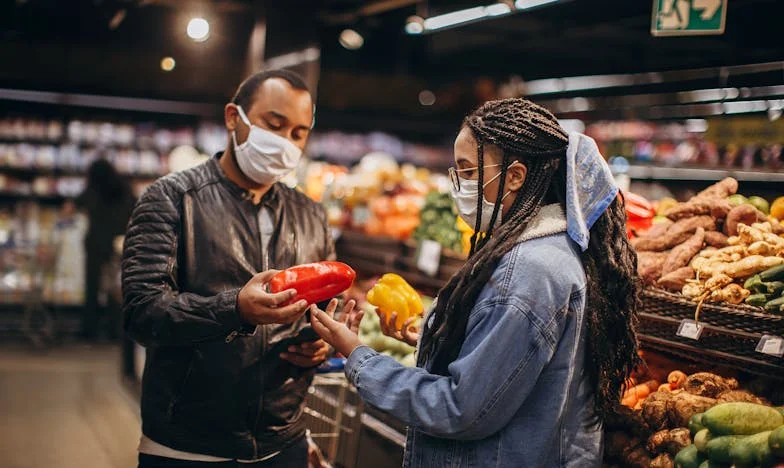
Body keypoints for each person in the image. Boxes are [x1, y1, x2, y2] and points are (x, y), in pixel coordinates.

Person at [309, 98, 641, 467]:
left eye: (468, 172)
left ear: (515, 176)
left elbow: (459, 408)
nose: (460, 186)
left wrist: (358, 356)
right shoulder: (552, 253)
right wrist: (436, 338)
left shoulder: (529, 272)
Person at [122, 69, 354, 467]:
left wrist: (320, 343)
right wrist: (235, 309)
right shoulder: (172, 198)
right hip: (187, 443)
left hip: (283, 440)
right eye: (274, 124)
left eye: (298, 133)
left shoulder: (311, 214)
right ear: (234, 117)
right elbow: (143, 313)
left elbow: (320, 309)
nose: (285, 142)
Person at [74, 158, 136, 341]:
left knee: (92, 289)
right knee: (115, 290)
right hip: (117, 245)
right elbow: (135, 207)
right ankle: (114, 330)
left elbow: (77, 204)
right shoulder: (123, 189)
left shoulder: (92, 190)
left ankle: (89, 330)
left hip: (94, 244)